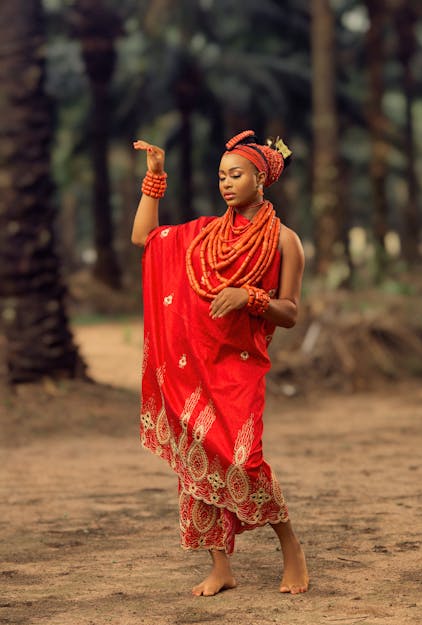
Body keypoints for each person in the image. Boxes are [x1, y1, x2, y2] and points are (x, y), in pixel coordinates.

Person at [131, 130, 309, 597]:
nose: (226, 183)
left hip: (238, 364)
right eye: (221, 176)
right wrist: (155, 179)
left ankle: (291, 549)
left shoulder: (286, 242)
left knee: (242, 461)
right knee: (198, 460)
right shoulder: (204, 234)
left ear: (260, 179)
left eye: (236, 174)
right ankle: (220, 565)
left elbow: (289, 312)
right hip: (194, 363)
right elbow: (143, 237)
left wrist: (249, 297)